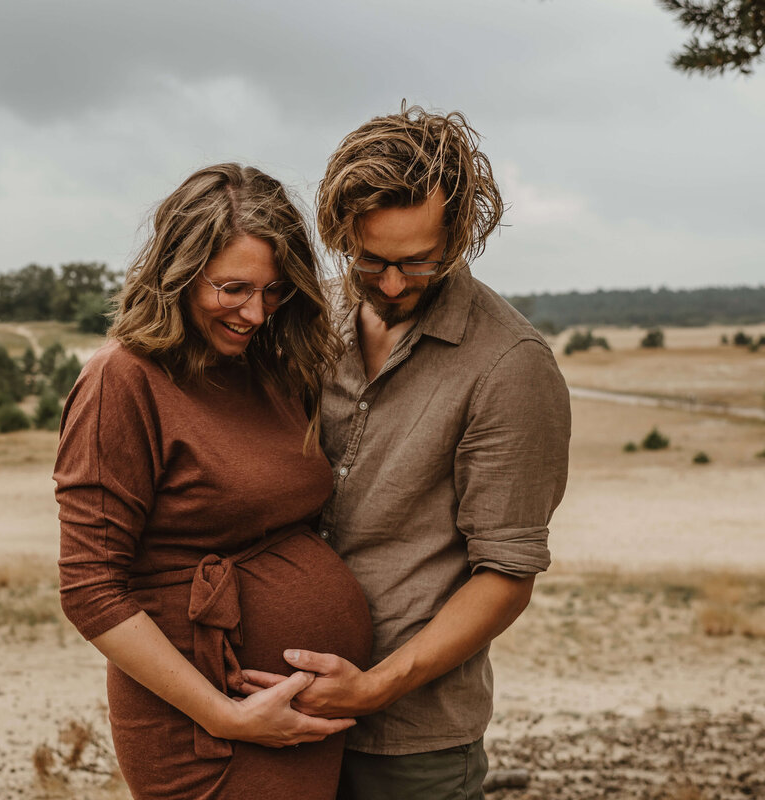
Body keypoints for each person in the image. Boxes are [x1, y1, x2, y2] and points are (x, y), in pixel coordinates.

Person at [241, 106, 571, 798]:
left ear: (461, 235)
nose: (392, 284)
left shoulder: (510, 365)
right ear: (338, 234)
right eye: (371, 261)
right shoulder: (301, 321)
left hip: (411, 745)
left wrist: (372, 688)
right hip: (269, 717)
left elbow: (506, 574)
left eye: (419, 262)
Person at [54, 163, 372, 800]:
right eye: (233, 289)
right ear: (178, 273)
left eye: (275, 290)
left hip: (286, 718)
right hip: (208, 728)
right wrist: (226, 715)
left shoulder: (267, 369)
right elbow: (90, 588)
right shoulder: (122, 380)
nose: (255, 312)